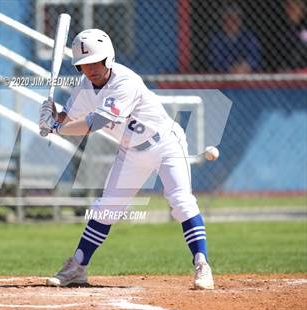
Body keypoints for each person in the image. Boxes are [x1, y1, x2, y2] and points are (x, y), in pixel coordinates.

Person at [39, 29, 214, 290]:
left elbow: (96, 122)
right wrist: (52, 115)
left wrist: (55, 127)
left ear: (108, 58)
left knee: (181, 202)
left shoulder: (125, 82)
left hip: (166, 144)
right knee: (106, 207)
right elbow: (70, 117)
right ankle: (78, 266)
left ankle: (202, 265)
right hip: (130, 151)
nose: (90, 69)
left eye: (95, 62)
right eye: (84, 65)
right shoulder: (85, 85)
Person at [208, 4, 261, 73]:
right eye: (229, 18)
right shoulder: (217, 39)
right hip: (224, 78)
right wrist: (230, 68)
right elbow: (215, 59)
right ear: (224, 21)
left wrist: (245, 66)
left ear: (240, 21)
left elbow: (255, 54)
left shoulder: (248, 36)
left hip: (246, 75)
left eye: (236, 18)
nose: (232, 22)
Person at [277, 0, 307, 71]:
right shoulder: (280, 29)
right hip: (288, 70)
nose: (293, 8)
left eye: (297, 5)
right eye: (289, 5)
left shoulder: (303, 28)